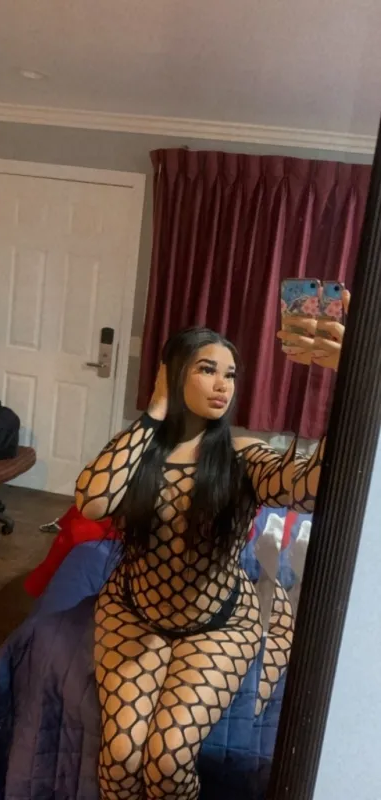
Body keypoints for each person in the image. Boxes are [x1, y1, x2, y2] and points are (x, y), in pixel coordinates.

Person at [75, 327, 323, 800]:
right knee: (121, 757)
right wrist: (155, 411)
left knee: (168, 761)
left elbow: (307, 490)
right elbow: (92, 502)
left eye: (230, 374)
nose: (222, 384)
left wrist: (340, 386)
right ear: (171, 374)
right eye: (207, 369)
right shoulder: (139, 451)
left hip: (220, 622)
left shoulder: (242, 455)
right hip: (134, 612)